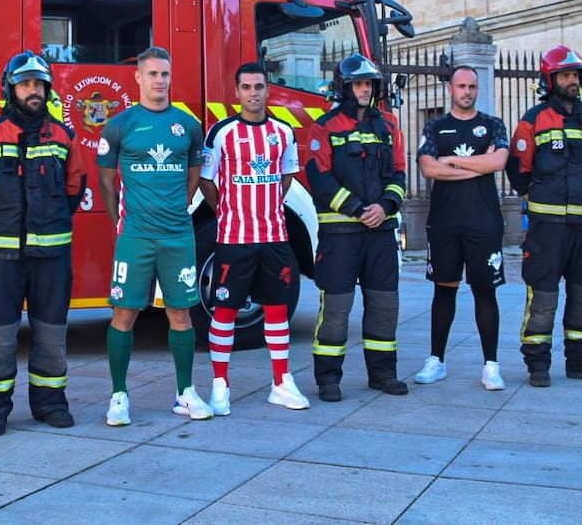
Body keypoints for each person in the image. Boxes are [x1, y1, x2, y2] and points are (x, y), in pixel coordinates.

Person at [0, 51, 87, 436]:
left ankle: (50, 403)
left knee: (51, 333)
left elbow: (74, 188)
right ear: (10, 89)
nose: (33, 91)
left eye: (39, 84)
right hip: (1, 256)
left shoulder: (64, 137)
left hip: (52, 256)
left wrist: (50, 225)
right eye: (25, 84)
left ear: (47, 90)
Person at [97, 46, 211, 425]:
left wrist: (183, 202)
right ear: (138, 78)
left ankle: (186, 393)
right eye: (152, 74)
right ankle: (118, 396)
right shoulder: (121, 124)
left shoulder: (187, 125)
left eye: (164, 74)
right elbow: (107, 180)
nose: (159, 81)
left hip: (178, 235)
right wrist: (120, 222)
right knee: (125, 312)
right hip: (135, 236)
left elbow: (195, 171)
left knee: (180, 312)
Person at [199, 62, 311, 415]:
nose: (253, 93)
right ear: (237, 92)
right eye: (246, 87)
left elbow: (287, 177)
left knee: (277, 309)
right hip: (234, 238)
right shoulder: (221, 132)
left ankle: (281, 382)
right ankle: (220, 386)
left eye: (258, 86)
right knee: (225, 310)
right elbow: (206, 180)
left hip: (274, 237)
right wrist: (227, 210)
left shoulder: (283, 132)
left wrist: (269, 205)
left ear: (267, 90)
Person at [507, 45, 582, 387]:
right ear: (550, 79)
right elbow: (518, 170)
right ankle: (537, 364)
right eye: (564, 75)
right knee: (543, 295)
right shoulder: (533, 120)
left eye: (575, 75)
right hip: (547, 228)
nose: (571, 81)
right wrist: (538, 200)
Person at [305, 53, 408, 400]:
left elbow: (399, 173)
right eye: (358, 84)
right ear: (344, 88)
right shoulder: (325, 126)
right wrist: (357, 208)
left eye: (369, 84)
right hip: (340, 236)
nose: (365, 90)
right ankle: (328, 379)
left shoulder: (391, 126)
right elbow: (320, 177)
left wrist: (385, 206)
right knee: (336, 309)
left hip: (380, 233)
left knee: (384, 307)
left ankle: (383, 374)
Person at [413, 65, 510, 391]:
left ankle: (491, 366)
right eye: (461, 86)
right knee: (444, 289)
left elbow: (498, 163)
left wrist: (453, 162)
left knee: (485, 291)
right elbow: (428, 167)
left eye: (472, 86)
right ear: (451, 89)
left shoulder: (493, 124)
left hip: (483, 221)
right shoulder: (436, 126)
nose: (467, 91)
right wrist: (476, 165)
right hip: (444, 221)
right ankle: (436, 360)